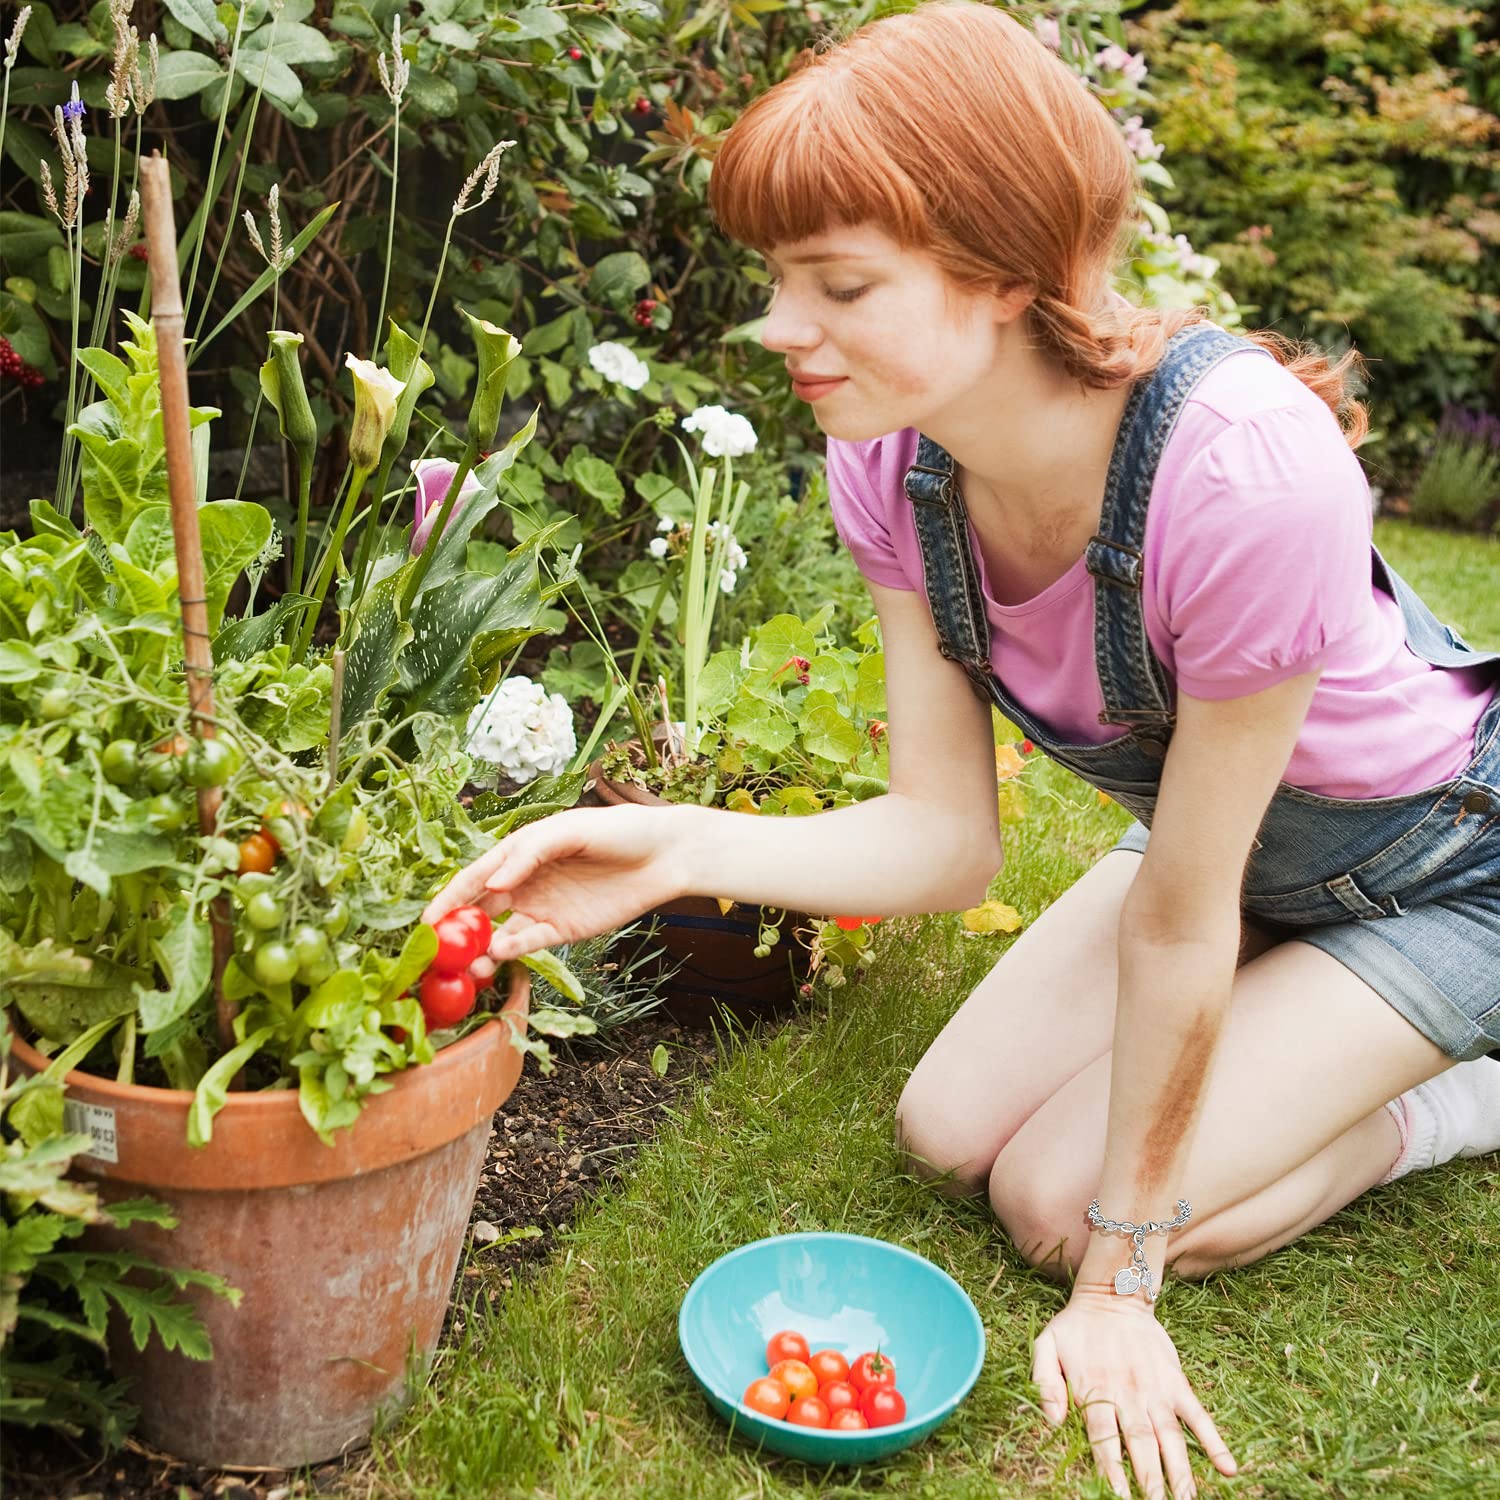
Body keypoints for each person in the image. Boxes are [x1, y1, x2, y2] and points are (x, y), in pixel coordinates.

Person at [425, 4, 1500, 1494]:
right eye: (780, 279)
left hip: (1434, 872)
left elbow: (1180, 916)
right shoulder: (892, 459)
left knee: (1058, 1203)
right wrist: (667, 849)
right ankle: (1312, 1037)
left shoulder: (1247, 474)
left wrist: (1119, 1286)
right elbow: (943, 839)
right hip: (1233, 862)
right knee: (945, 1132)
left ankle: (1446, 1110)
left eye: (841, 284)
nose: (780, 328)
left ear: (1005, 272)